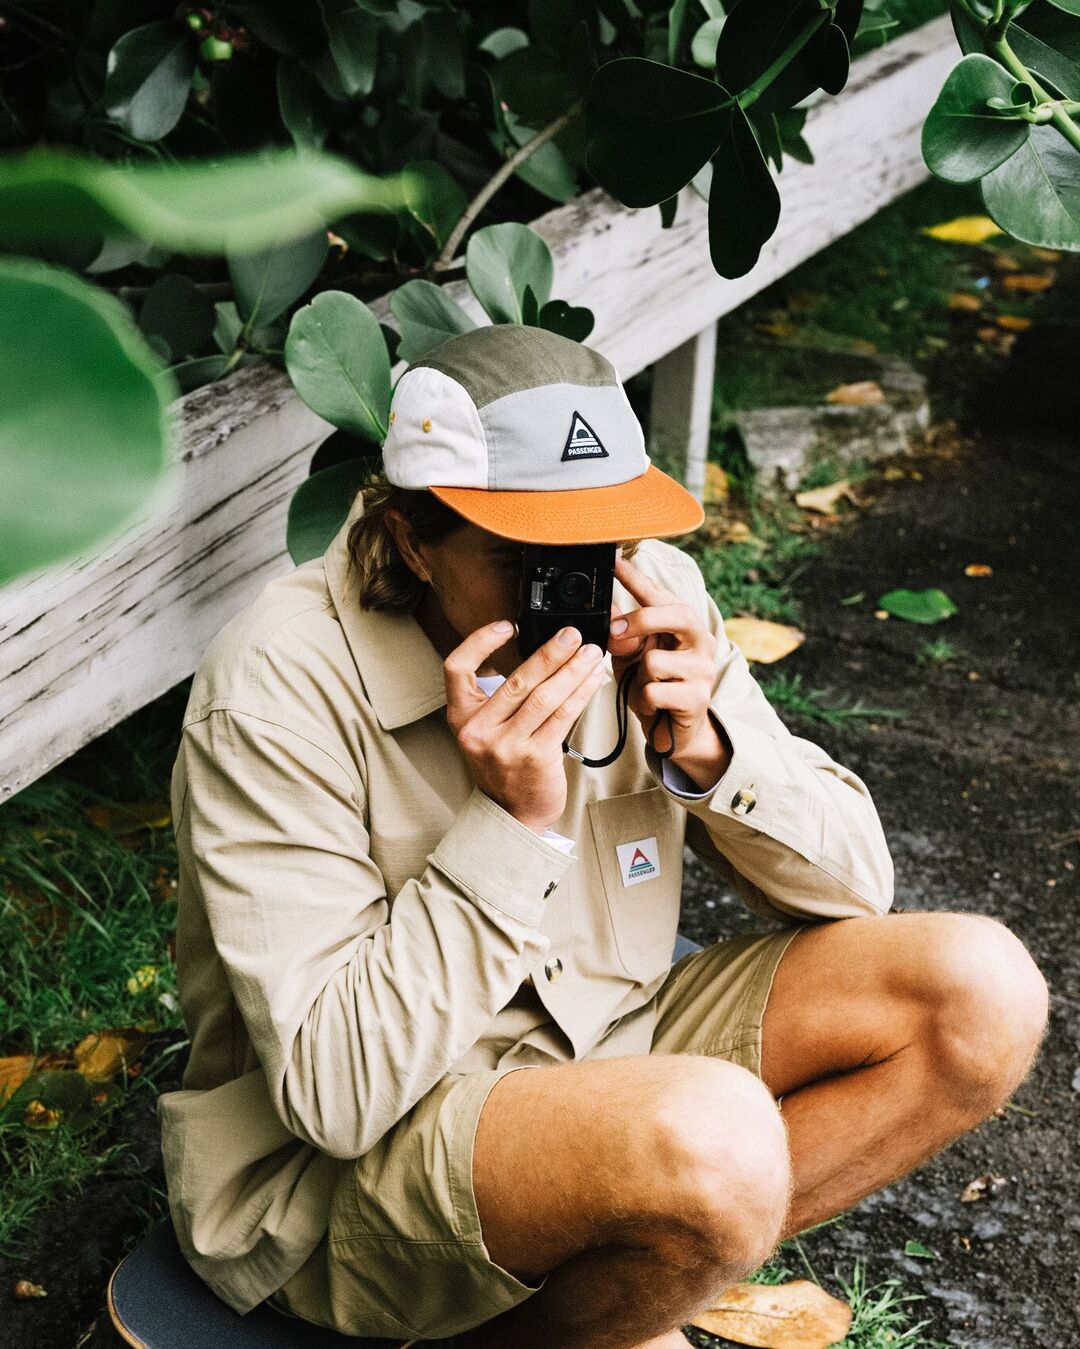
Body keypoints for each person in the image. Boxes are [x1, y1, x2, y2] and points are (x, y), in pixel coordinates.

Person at [159, 324, 1049, 1349]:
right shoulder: (277, 684)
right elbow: (336, 1096)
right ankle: (624, 1280)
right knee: (715, 1139)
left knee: (979, 992)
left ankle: (624, 1284)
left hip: (614, 1050)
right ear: (410, 538)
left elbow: (859, 892)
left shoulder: (646, 590)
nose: (578, 594)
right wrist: (511, 826)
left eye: (603, 544)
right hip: (355, 1173)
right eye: (530, 559)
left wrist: (714, 753)